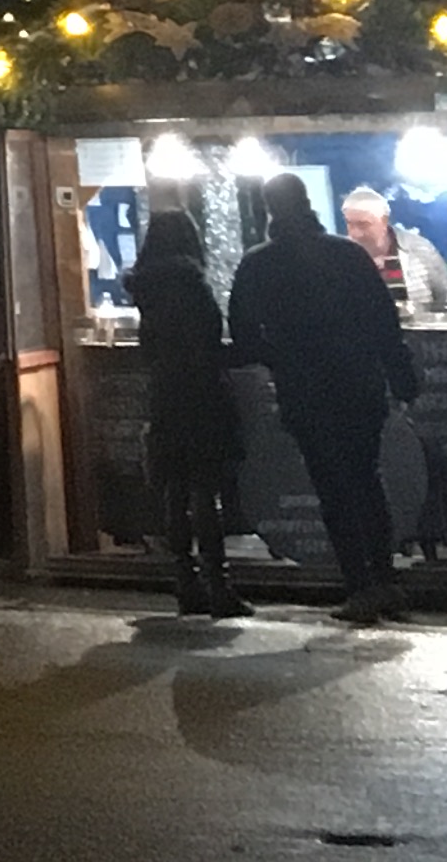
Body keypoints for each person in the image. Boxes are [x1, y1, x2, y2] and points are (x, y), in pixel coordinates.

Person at [231, 173, 420, 621]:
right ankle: (386, 581)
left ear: (269, 209)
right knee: (367, 483)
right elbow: (383, 323)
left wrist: (280, 358)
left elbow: (241, 336)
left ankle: (359, 588)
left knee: (334, 491)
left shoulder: (259, 263)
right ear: (308, 201)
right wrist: (402, 379)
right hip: (360, 385)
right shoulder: (348, 254)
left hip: (306, 392)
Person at [132, 209, 249, 616]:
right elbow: (207, 343)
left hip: (164, 395)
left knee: (174, 489)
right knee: (205, 489)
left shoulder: (145, 289)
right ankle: (219, 586)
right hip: (200, 394)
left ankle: (185, 581)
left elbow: (150, 349)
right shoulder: (191, 285)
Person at [342, 190, 447, 319]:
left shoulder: (419, 248)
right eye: (349, 224)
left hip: (417, 335)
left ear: (384, 221)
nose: (355, 233)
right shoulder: (340, 255)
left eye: (363, 225)